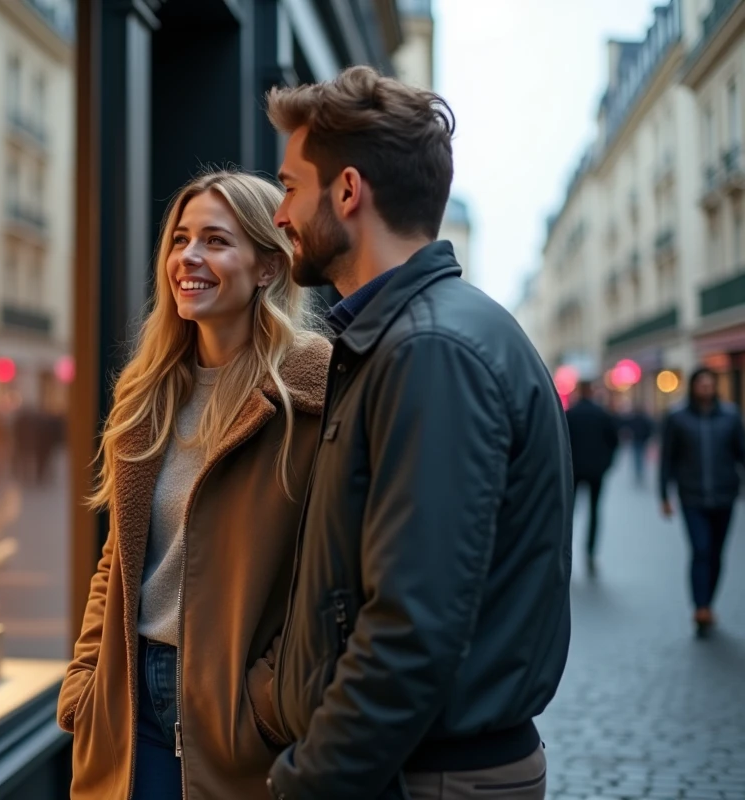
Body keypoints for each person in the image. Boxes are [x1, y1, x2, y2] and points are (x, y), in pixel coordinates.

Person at [264, 66, 572, 800]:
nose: (278, 214)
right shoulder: (406, 336)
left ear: (346, 191)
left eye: (287, 187)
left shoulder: (429, 350)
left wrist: (307, 783)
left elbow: (412, 629)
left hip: (426, 777)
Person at [58, 170, 331, 800]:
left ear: (267, 266)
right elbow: (119, 558)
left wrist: (267, 700)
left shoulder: (308, 392)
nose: (189, 257)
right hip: (129, 701)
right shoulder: (149, 391)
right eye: (181, 239)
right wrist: (85, 678)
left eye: (215, 240)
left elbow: (327, 572)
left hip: (238, 713)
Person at [659, 367, 745, 637]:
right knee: (701, 550)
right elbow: (667, 460)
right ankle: (700, 607)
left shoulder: (730, 416)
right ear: (694, 386)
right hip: (692, 496)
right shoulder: (678, 417)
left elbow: (741, 453)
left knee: (717, 553)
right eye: (701, 384)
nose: (706, 388)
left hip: (724, 495)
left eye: (710, 384)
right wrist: (663, 495)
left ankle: (709, 602)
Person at [565, 380, 621, 576]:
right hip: (597, 470)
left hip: (574, 470)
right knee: (594, 512)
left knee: (570, 512)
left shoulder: (570, 414)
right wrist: (606, 464)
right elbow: (614, 441)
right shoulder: (602, 414)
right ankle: (590, 552)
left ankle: (566, 549)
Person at [622, 401, 655, 487]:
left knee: (637, 457)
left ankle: (639, 473)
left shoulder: (636, 419)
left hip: (638, 440)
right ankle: (639, 473)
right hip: (640, 440)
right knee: (640, 457)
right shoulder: (644, 419)